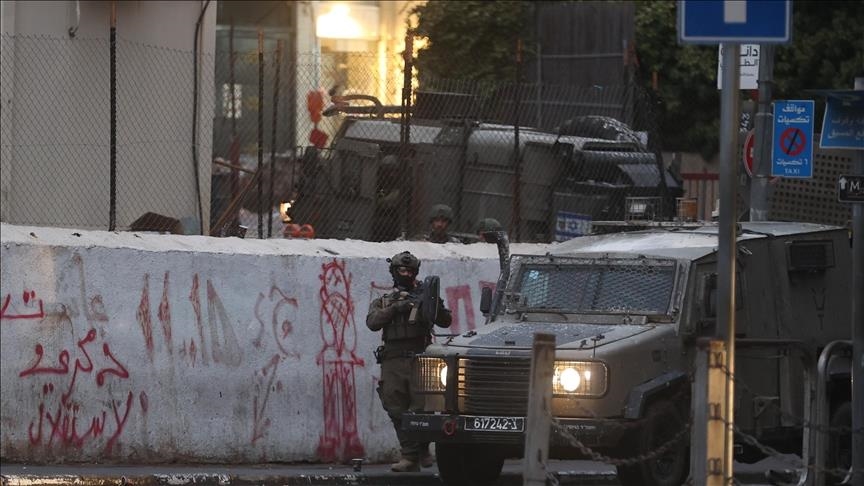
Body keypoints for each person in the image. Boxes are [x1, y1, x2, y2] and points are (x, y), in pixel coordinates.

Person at [366, 251, 452, 472]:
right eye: (401, 270)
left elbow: (445, 320)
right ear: (394, 272)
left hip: (419, 358)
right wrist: (395, 308)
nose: (405, 274)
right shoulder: (384, 300)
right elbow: (372, 322)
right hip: (393, 360)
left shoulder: (424, 295)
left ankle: (417, 450)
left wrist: (430, 303)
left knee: (421, 408)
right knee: (394, 406)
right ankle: (411, 453)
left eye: (409, 271)